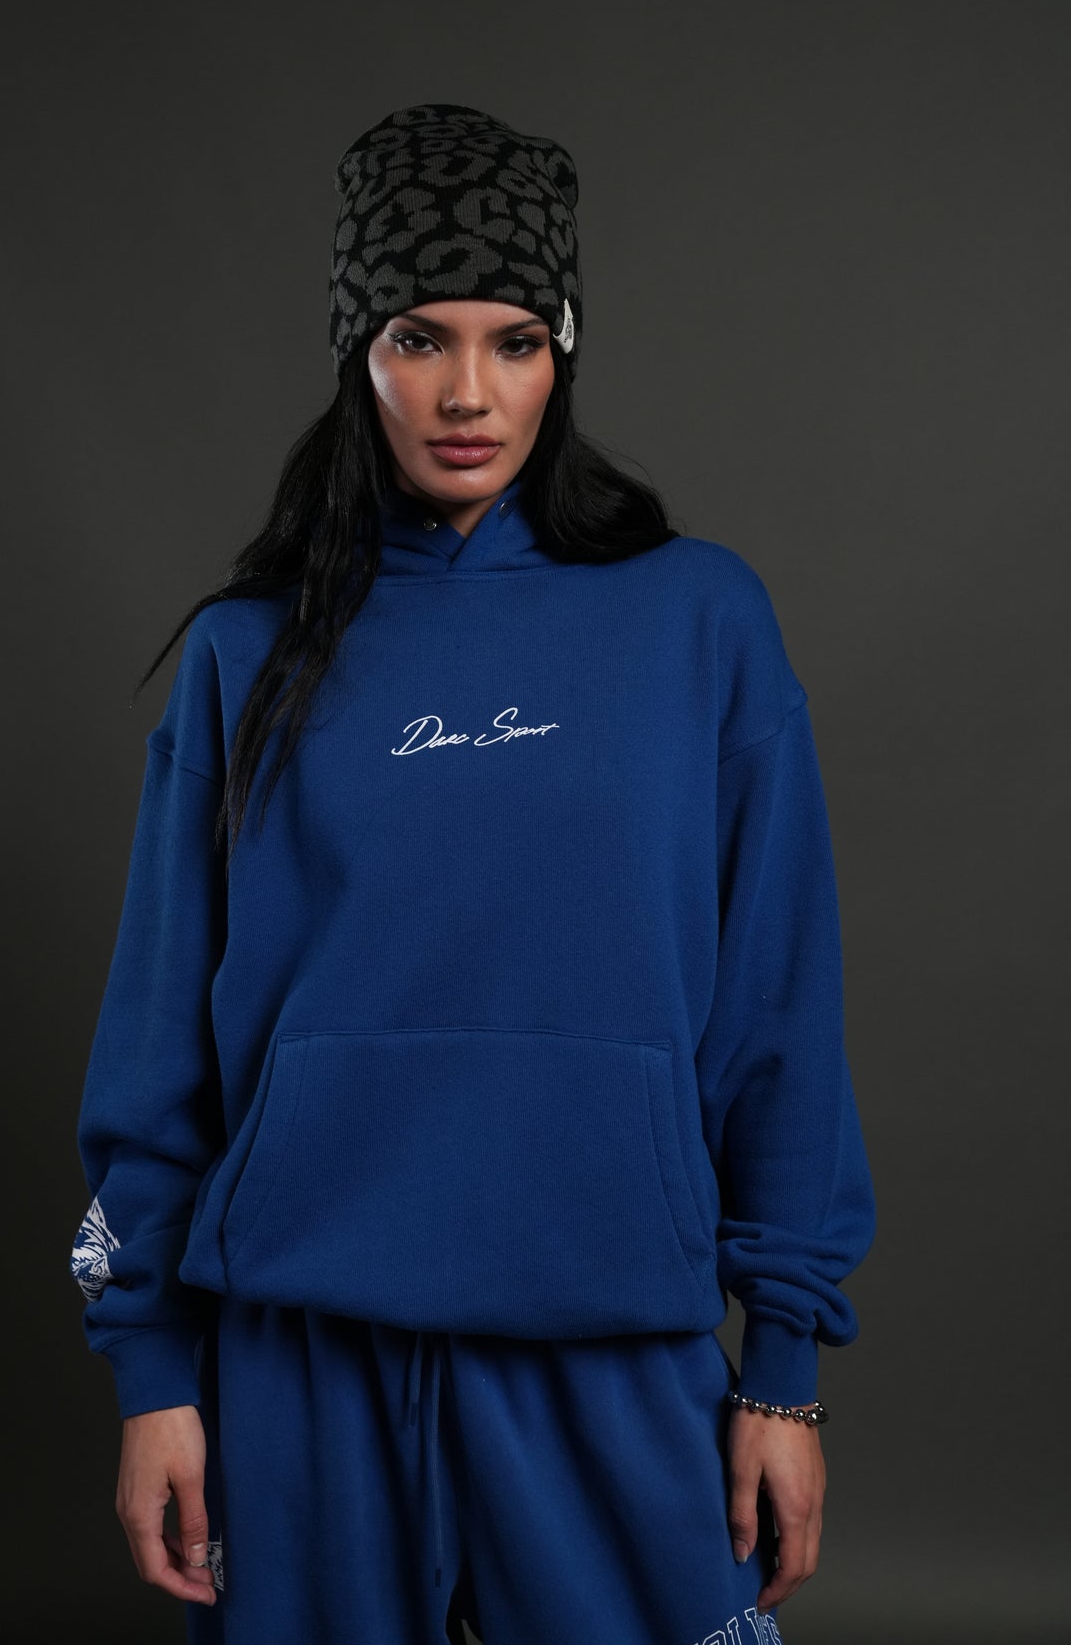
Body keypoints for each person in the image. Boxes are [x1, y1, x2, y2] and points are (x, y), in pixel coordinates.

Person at [69, 102, 875, 1645]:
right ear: (356, 351)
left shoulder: (697, 622)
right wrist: (153, 1374)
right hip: (300, 1351)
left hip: (607, 1333)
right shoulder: (250, 655)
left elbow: (778, 1014)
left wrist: (784, 1372)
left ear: (563, 348)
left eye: (513, 341)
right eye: (417, 339)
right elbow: (157, 1039)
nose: (466, 393)